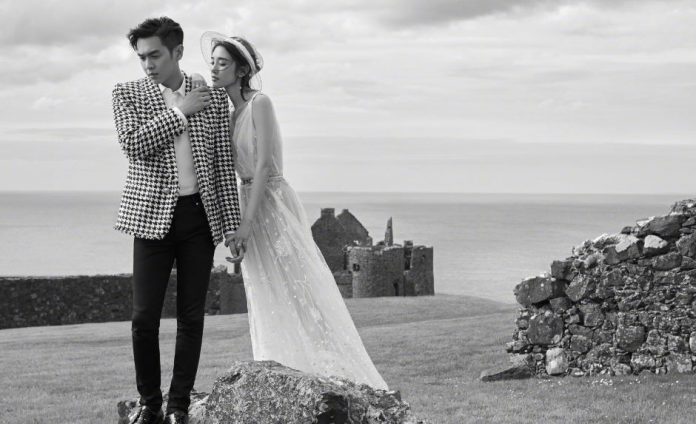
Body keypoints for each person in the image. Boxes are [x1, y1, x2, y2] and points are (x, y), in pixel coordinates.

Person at [199, 31, 389, 390]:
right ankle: (279, 375)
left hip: (271, 201)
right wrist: (233, 227)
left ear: (241, 70)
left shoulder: (260, 103)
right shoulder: (226, 113)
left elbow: (264, 170)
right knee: (263, 290)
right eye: (212, 62)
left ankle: (330, 377)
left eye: (222, 63)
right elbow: (227, 172)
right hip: (245, 204)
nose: (214, 69)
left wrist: (247, 224)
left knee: (300, 290)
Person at [112, 18, 241, 424]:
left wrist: (233, 225)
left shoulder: (211, 97)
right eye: (141, 57)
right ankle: (149, 404)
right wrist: (179, 112)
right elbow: (134, 146)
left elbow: (222, 166)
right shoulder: (127, 93)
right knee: (143, 318)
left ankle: (178, 406)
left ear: (177, 52)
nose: (147, 64)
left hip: (199, 219)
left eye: (154, 55)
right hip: (151, 218)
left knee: (192, 317)